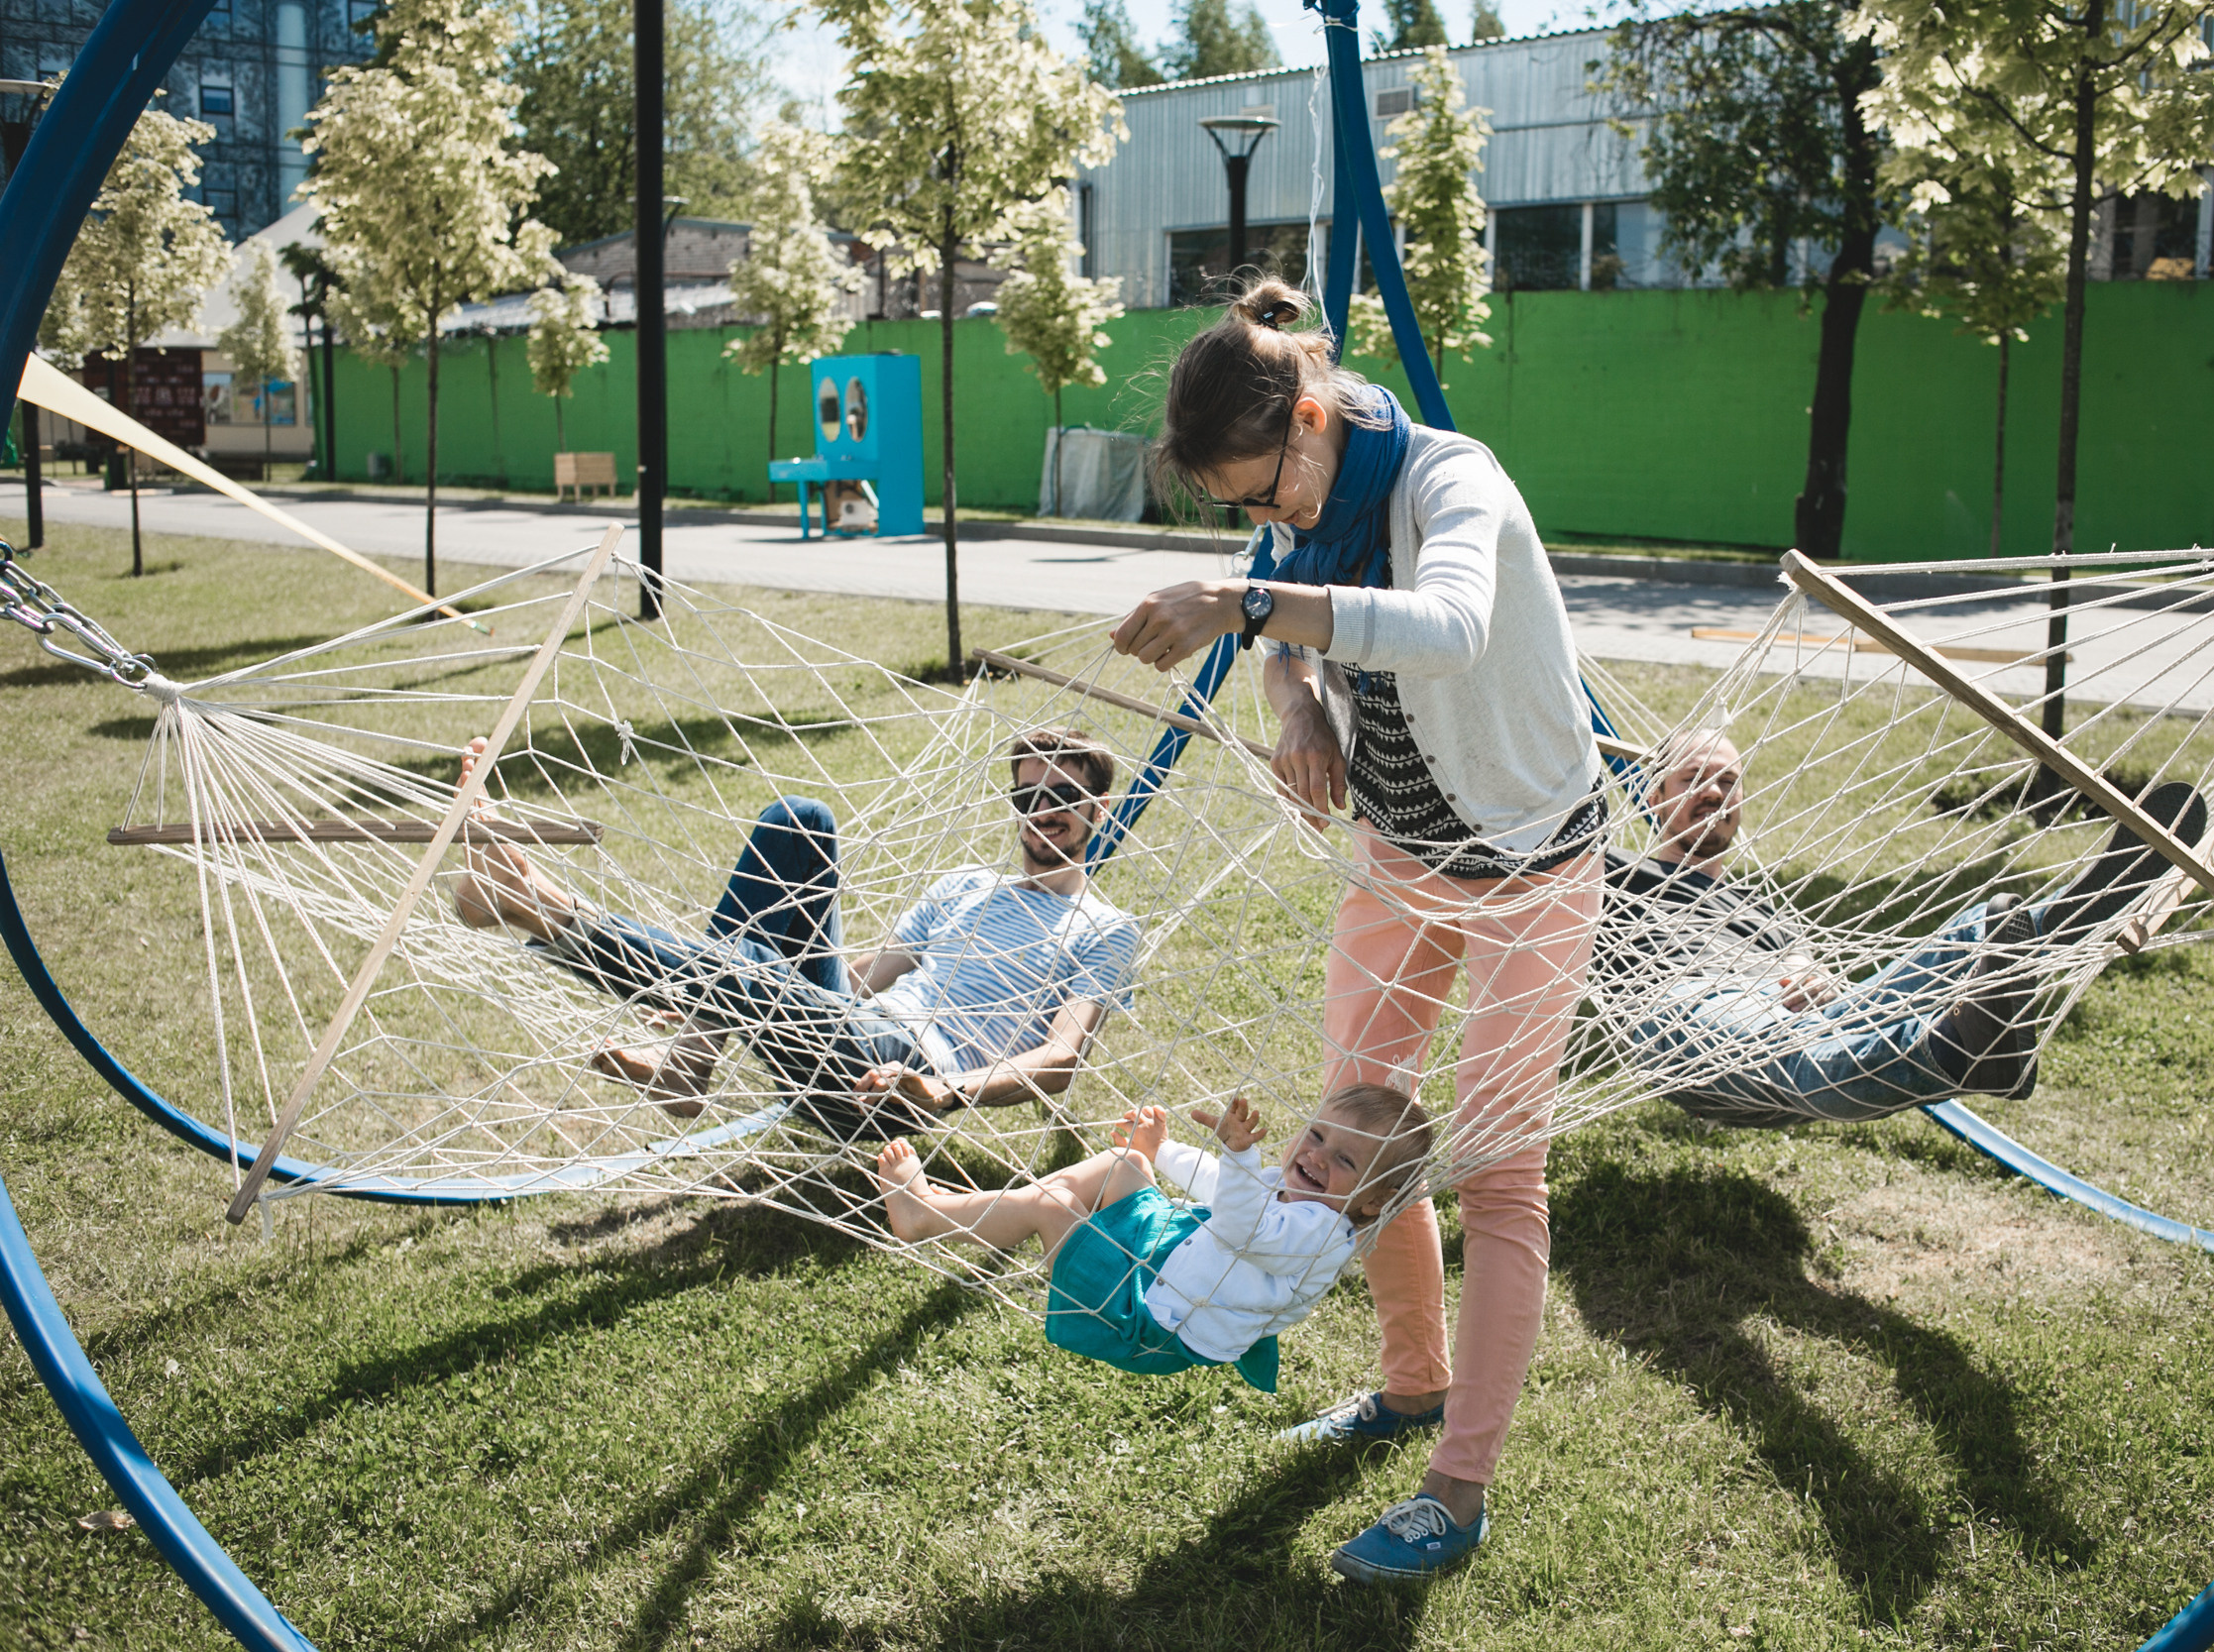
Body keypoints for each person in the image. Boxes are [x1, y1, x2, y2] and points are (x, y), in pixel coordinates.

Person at [1110, 278, 1604, 1583]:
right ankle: (1409, 1383)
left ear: (1315, 417)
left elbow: (1449, 626)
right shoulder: (1302, 516)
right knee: (1355, 1118)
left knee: (1499, 1175)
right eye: (1246, 516)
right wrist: (1295, 701)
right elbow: (1285, 606)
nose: (1272, 525)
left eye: (1269, 493)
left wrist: (1246, 608)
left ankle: (1458, 1485)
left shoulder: (1453, 480)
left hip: (1529, 865)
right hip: (1397, 856)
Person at [446, 727, 1142, 1138]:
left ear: (1099, 808)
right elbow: (869, 973)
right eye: (1028, 796)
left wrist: (946, 1090)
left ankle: (535, 902)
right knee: (799, 819)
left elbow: (1061, 1059)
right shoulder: (965, 885)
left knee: (749, 961)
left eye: (1064, 798)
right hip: (851, 1024)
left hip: (894, 1076)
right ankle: (691, 1050)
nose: (1043, 812)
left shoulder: (1105, 928)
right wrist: (709, 986)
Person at [1601, 728, 2208, 1128]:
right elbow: (1523, 851)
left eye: (1729, 782)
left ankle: (2076, 911)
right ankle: (1958, 1048)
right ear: (1653, 796)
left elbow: (1803, 964)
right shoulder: (1612, 872)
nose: (1714, 792)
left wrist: (1805, 973)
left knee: (1982, 926)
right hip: (1676, 1007)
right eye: (1693, 779)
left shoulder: (1764, 907)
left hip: (1790, 1012)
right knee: (1812, 1055)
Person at [873, 1084, 1433, 1392]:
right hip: (1163, 1256)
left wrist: (1240, 1152)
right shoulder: (1296, 1193)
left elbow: (1242, 1227)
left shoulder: (1318, 1235)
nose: (1315, 1156)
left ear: (1373, 1201)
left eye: (1345, 1160)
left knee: (1056, 1206)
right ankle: (980, 1211)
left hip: (1151, 1320)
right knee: (1124, 1164)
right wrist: (1159, 1152)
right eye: (1316, 1135)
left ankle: (926, 1215)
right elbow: (1219, 1188)